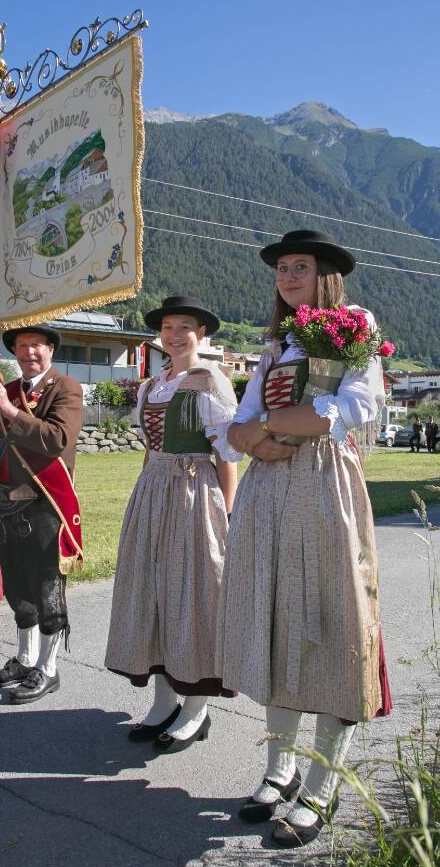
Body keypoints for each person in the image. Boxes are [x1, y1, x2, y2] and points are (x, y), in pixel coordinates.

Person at [217, 230, 391, 846]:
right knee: (276, 624)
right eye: (281, 268)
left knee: (329, 624)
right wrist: (263, 439)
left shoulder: (354, 328)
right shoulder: (275, 345)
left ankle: (321, 786)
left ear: (325, 275)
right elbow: (235, 428)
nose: (288, 276)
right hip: (269, 493)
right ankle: (278, 770)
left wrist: (267, 430)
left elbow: (354, 406)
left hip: (324, 493)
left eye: (300, 266)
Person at [105, 296, 238, 752]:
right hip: (153, 491)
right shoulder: (150, 386)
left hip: (196, 491)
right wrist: (147, 490)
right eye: (167, 326)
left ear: (202, 334)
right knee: (152, 595)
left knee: (195, 596)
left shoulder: (211, 382)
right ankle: (164, 703)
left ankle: (197, 709)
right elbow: (148, 450)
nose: (175, 334)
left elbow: (226, 455)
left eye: (185, 326)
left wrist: (229, 514)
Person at [0, 324, 83, 704]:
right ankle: (25, 658)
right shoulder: (6, 391)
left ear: (50, 350)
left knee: (46, 589)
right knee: (17, 587)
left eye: (35, 346)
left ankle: (48, 666)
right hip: (6, 502)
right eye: (21, 346)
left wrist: (8, 411)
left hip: (45, 503)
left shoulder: (65, 388)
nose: (28, 353)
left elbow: (57, 440)